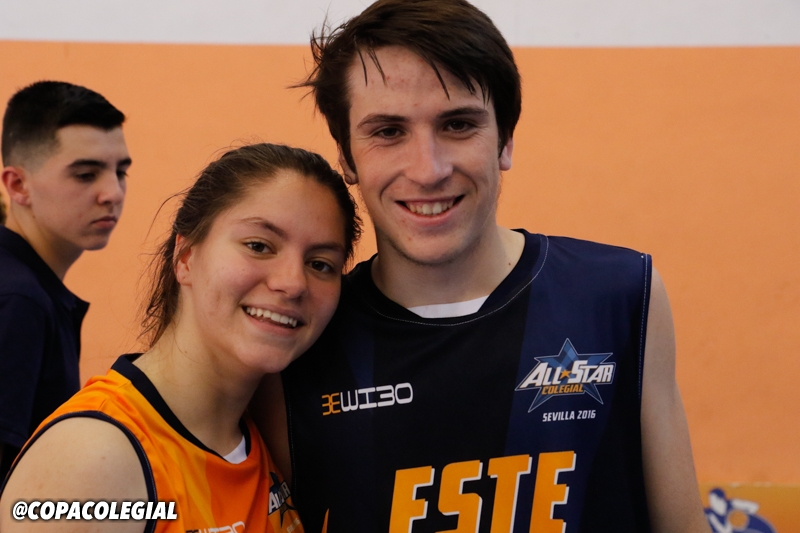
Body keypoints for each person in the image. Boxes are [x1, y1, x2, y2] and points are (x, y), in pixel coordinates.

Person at [256, 1, 709, 531]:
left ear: (505, 139)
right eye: (388, 132)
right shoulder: (300, 342)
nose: (428, 170)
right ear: (346, 157)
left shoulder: (620, 294)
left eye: (458, 124)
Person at [0, 143, 361, 532]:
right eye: (258, 246)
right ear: (185, 256)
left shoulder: (267, 433)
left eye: (320, 264)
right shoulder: (92, 459)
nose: (293, 283)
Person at [0, 81, 129, 479]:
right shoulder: (19, 300)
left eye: (121, 171)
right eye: (86, 174)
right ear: (18, 185)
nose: (113, 193)